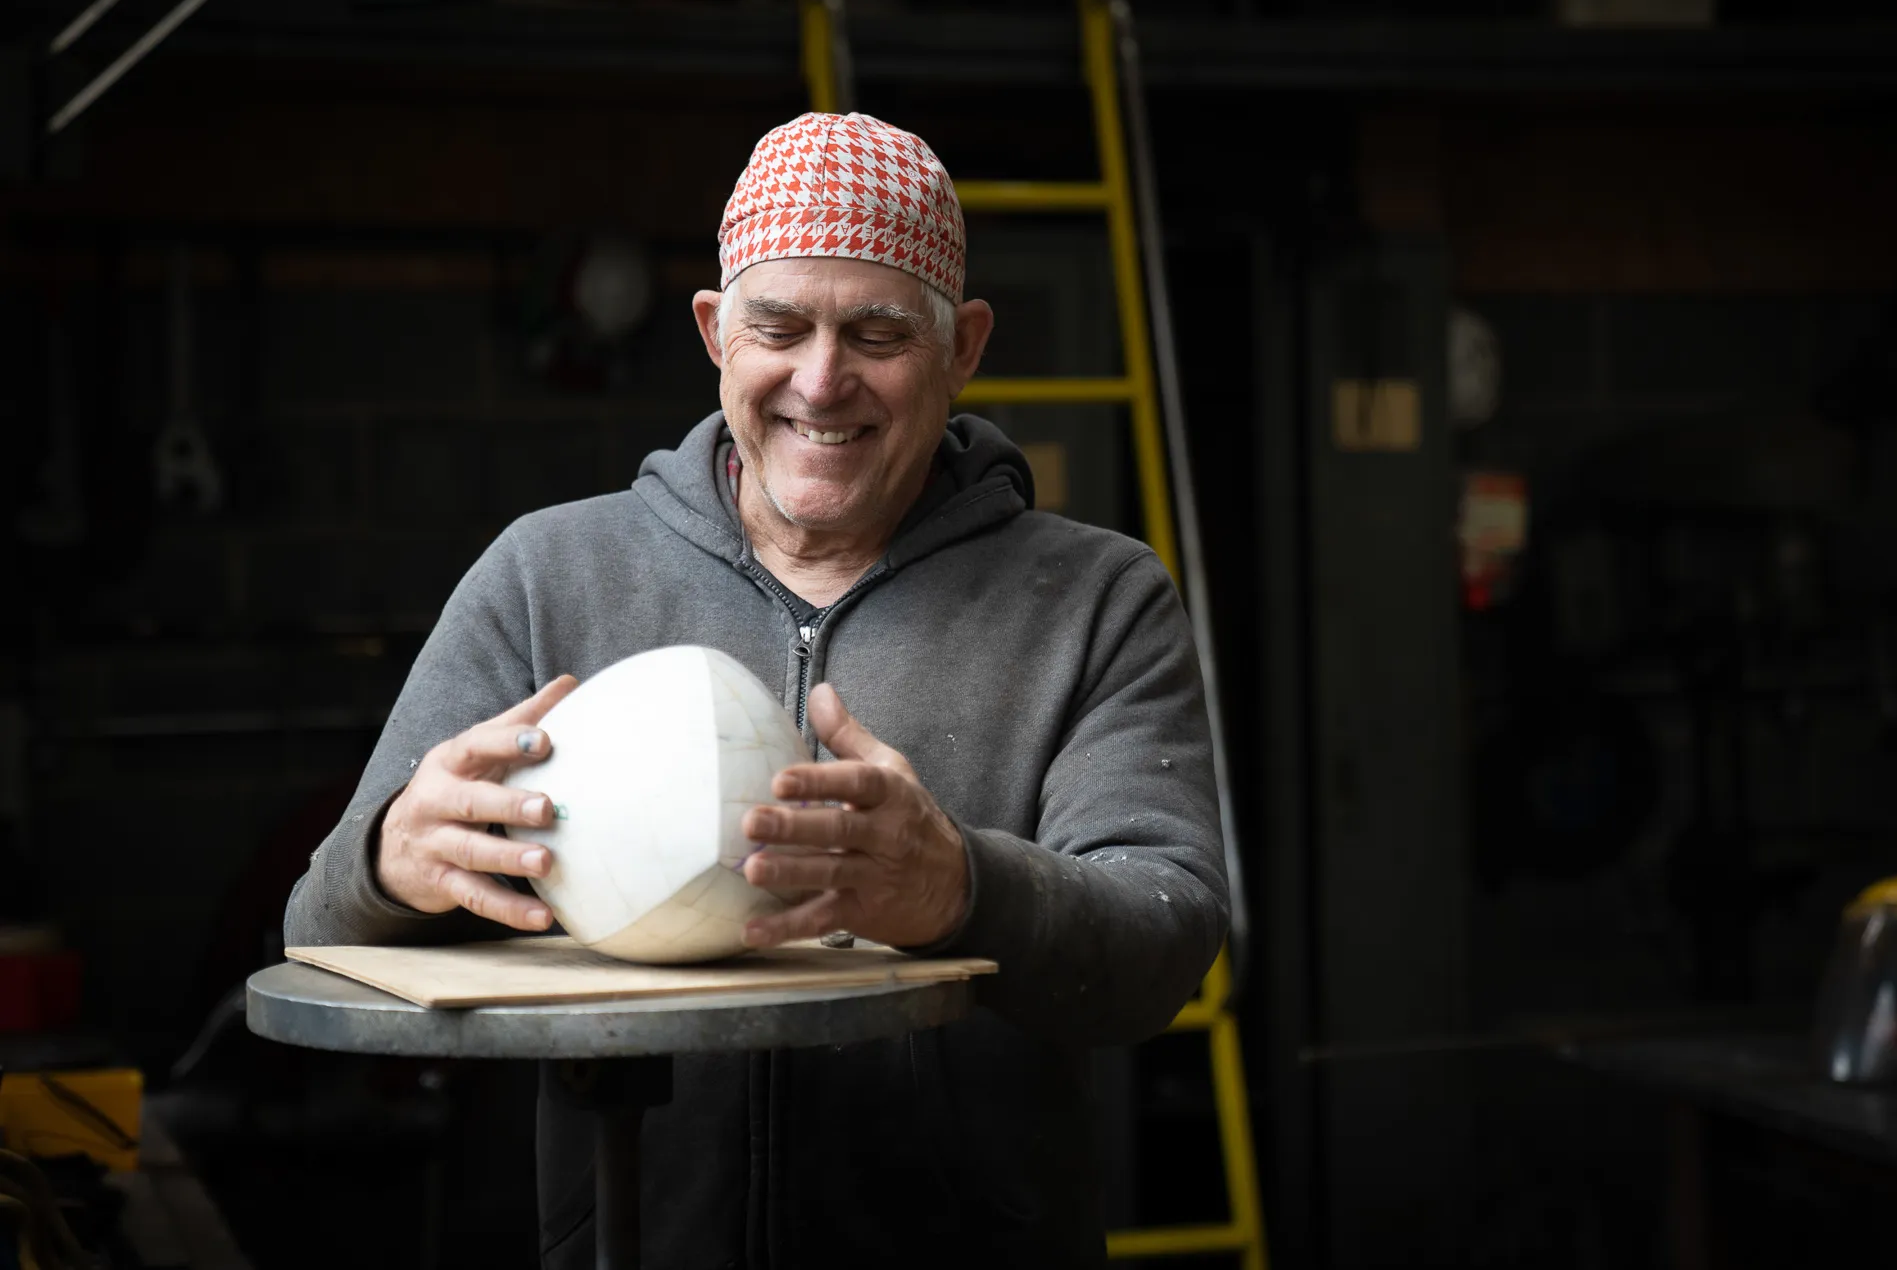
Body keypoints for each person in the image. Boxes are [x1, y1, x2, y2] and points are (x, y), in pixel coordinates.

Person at [283, 111, 1228, 1267]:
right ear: (712, 332)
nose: (820, 381)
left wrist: (960, 887)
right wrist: (389, 857)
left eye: (877, 332)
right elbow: (317, 924)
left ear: (965, 345)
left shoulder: (1094, 600)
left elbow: (1164, 938)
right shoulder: (549, 576)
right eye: (778, 326)